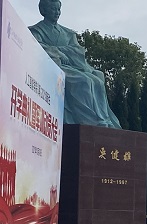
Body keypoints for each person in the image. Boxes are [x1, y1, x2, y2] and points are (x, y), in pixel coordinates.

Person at [29, 0, 121, 128]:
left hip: (73, 66)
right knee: (84, 81)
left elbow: (77, 52)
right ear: (43, 10)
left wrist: (62, 51)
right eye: (53, 9)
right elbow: (37, 47)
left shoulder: (68, 33)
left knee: (97, 80)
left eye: (58, 9)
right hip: (53, 66)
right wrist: (58, 52)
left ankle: (104, 119)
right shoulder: (36, 31)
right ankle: (90, 121)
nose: (57, 12)